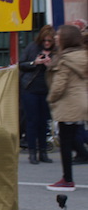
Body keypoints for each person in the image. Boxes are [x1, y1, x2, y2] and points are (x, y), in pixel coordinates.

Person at [45, 24, 88, 191]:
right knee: (74, 137)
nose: (55, 37)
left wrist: (51, 99)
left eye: (58, 35)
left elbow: (59, 85)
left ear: (66, 39)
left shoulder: (65, 60)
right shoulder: (83, 56)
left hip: (69, 103)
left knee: (65, 142)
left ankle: (67, 180)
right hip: (82, 101)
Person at [19, 25, 56, 165]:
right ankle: (32, 152)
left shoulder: (56, 51)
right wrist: (35, 62)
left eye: (49, 41)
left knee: (43, 121)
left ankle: (43, 152)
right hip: (30, 88)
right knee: (32, 121)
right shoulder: (32, 47)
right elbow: (21, 64)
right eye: (44, 40)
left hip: (46, 89)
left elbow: (59, 70)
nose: (47, 43)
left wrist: (50, 65)